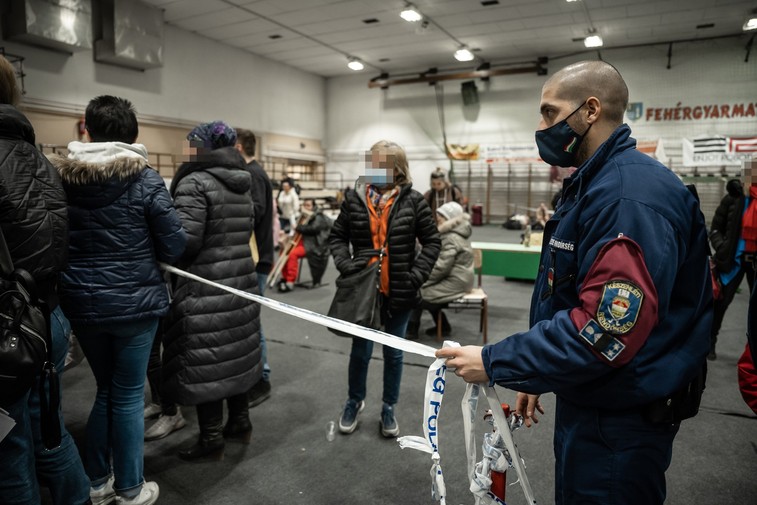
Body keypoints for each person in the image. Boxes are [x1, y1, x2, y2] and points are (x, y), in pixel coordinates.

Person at [436, 60, 712, 505]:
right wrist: (540, 375)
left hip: (620, 417)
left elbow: (605, 331)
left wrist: (496, 360)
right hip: (594, 395)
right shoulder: (595, 185)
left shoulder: (627, 198)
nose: (541, 125)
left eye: (549, 112)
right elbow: (570, 298)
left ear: (590, 110)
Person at [52, 95, 187, 505]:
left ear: (86, 130)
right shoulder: (145, 179)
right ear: (134, 135)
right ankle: (129, 488)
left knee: (107, 389)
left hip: (82, 302)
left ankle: (97, 481)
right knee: (128, 393)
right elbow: (174, 244)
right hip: (135, 303)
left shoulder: (59, 178)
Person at [0, 55, 91, 505]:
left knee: (8, 450)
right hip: (47, 316)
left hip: (8, 323)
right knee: (48, 432)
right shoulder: (41, 160)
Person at [162, 121, 262, 461]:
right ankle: (240, 421)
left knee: (206, 359)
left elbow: (186, 241)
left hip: (206, 285)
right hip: (240, 280)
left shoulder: (194, 182)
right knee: (232, 354)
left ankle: (211, 438)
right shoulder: (241, 182)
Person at [329, 140, 440, 437]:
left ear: (397, 168)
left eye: (380, 164)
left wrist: (415, 276)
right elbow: (337, 237)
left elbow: (432, 242)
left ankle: (389, 406)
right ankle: (354, 400)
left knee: (394, 354)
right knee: (360, 351)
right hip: (363, 293)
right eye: (371, 163)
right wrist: (346, 265)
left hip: (399, 293)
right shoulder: (354, 200)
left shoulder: (413, 201)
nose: (373, 170)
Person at [235, 129, 275, 406]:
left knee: (252, 321)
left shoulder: (253, 174)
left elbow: (256, 210)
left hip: (257, 258)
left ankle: (262, 377)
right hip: (255, 256)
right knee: (247, 320)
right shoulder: (252, 172)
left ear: (238, 147)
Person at [406, 201, 474, 339]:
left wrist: (421, 280)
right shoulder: (456, 233)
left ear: (450, 218)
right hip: (459, 278)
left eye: (441, 216)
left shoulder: (451, 238)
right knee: (425, 292)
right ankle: (443, 326)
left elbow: (441, 267)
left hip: (455, 281)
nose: (437, 219)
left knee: (417, 293)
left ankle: (411, 330)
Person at [709, 176, 756, 360]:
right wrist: (722, 247)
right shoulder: (733, 198)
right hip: (732, 259)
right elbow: (715, 227)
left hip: (755, 261)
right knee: (720, 303)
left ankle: (753, 351)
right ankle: (710, 341)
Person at [278, 199, 331, 292]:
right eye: (305, 205)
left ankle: (290, 281)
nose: (306, 207)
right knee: (283, 252)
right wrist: (286, 230)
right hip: (300, 242)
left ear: (313, 206)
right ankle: (285, 278)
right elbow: (293, 226)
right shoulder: (303, 215)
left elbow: (313, 229)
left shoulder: (318, 217)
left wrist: (298, 227)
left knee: (292, 254)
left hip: (312, 245)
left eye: (308, 205)